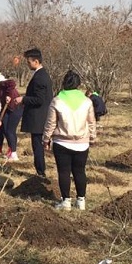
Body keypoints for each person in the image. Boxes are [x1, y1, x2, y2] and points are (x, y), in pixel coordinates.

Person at [42, 70, 97, 211]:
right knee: (80, 171)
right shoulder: (87, 101)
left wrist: (46, 139)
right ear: (79, 84)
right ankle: (81, 201)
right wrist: (92, 137)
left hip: (62, 142)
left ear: (64, 83)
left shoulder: (57, 100)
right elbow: (91, 122)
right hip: (82, 143)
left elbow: (50, 123)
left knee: (64, 172)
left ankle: (66, 201)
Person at [16, 48, 52, 177]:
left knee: (37, 147)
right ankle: (40, 171)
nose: (28, 64)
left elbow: (39, 99)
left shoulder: (40, 77)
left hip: (38, 119)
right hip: (40, 118)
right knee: (37, 147)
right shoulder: (41, 75)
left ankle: (40, 172)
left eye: (29, 62)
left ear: (36, 61)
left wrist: (23, 99)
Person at [0, 69, 23, 162]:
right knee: (4, 128)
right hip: (9, 109)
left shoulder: (2, 84)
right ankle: (11, 151)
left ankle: (13, 154)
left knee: (10, 131)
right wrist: (0, 120)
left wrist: (8, 95)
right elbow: (3, 104)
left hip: (17, 108)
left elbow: (12, 83)